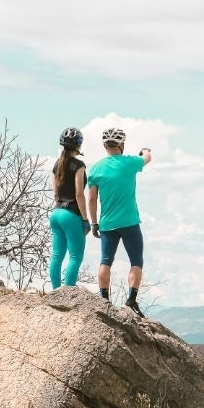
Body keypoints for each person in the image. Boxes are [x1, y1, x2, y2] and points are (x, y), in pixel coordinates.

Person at [86, 126, 152, 317]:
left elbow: (91, 199)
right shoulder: (130, 162)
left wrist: (94, 223)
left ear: (104, 145)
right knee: (136, 261)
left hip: (107, 223)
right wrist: (145, 150)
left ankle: (104, 300)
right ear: (122, 144)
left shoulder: (96, 168)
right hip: (130, 221)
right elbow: (147, 158)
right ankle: (131, 301)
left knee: (105, 260)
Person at [48, 127, 89, 288]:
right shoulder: (79, 165)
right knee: (75, 257)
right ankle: (67, 293)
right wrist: (85, 219)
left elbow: (55, 193)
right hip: (71, 214)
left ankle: (55, 292)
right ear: (79, 145)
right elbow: (79, 194)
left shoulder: (57, 164)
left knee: (56, 256)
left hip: (56, 213)